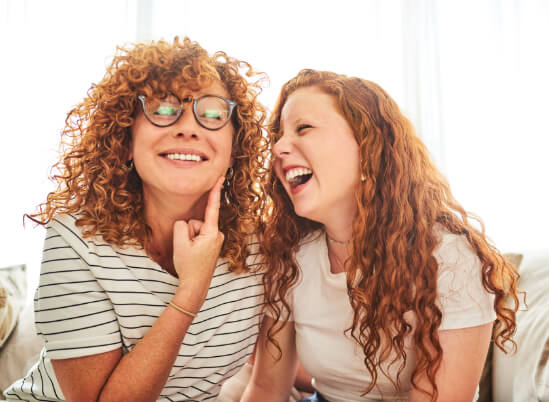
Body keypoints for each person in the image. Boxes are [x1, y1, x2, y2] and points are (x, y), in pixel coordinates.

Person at [5, 37, 269, 401]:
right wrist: (191, 290)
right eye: (162, 110)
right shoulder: (76, 239)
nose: (189, 128)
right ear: (124, 142)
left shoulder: (262, 248)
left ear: (235, 148)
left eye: (211, 114)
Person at [242, 69, 520, 402]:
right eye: (279, 135)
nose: (278, 148)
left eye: (304, 128)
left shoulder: (450, 257)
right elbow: (266, 389)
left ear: (368, 150)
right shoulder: (290, 256)